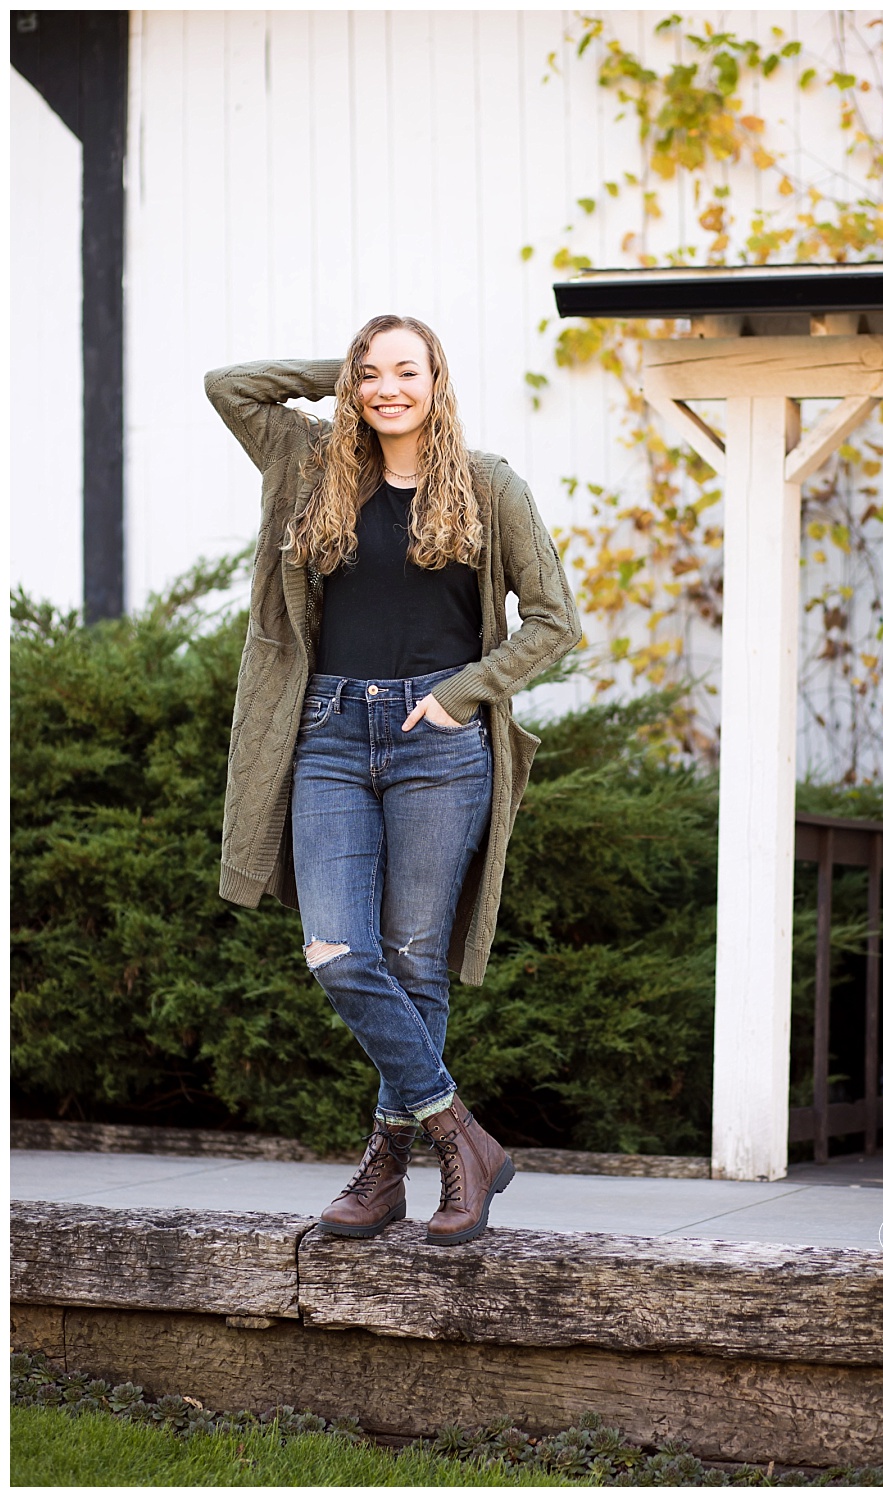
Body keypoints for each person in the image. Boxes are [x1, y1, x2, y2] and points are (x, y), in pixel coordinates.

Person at [208, 314, 581, 1247]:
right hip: (329, 731)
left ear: (436, 379)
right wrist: (331, 374)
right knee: (337, 949)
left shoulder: (491, 487)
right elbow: (230, 384)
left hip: (437, 741)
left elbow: (553, 619)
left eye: (403, 371)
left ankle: (384, 1173)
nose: (385, 389)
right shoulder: (311, 462)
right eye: (369, 373)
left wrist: (466, 693)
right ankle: (461, 1134)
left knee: (416, 965)